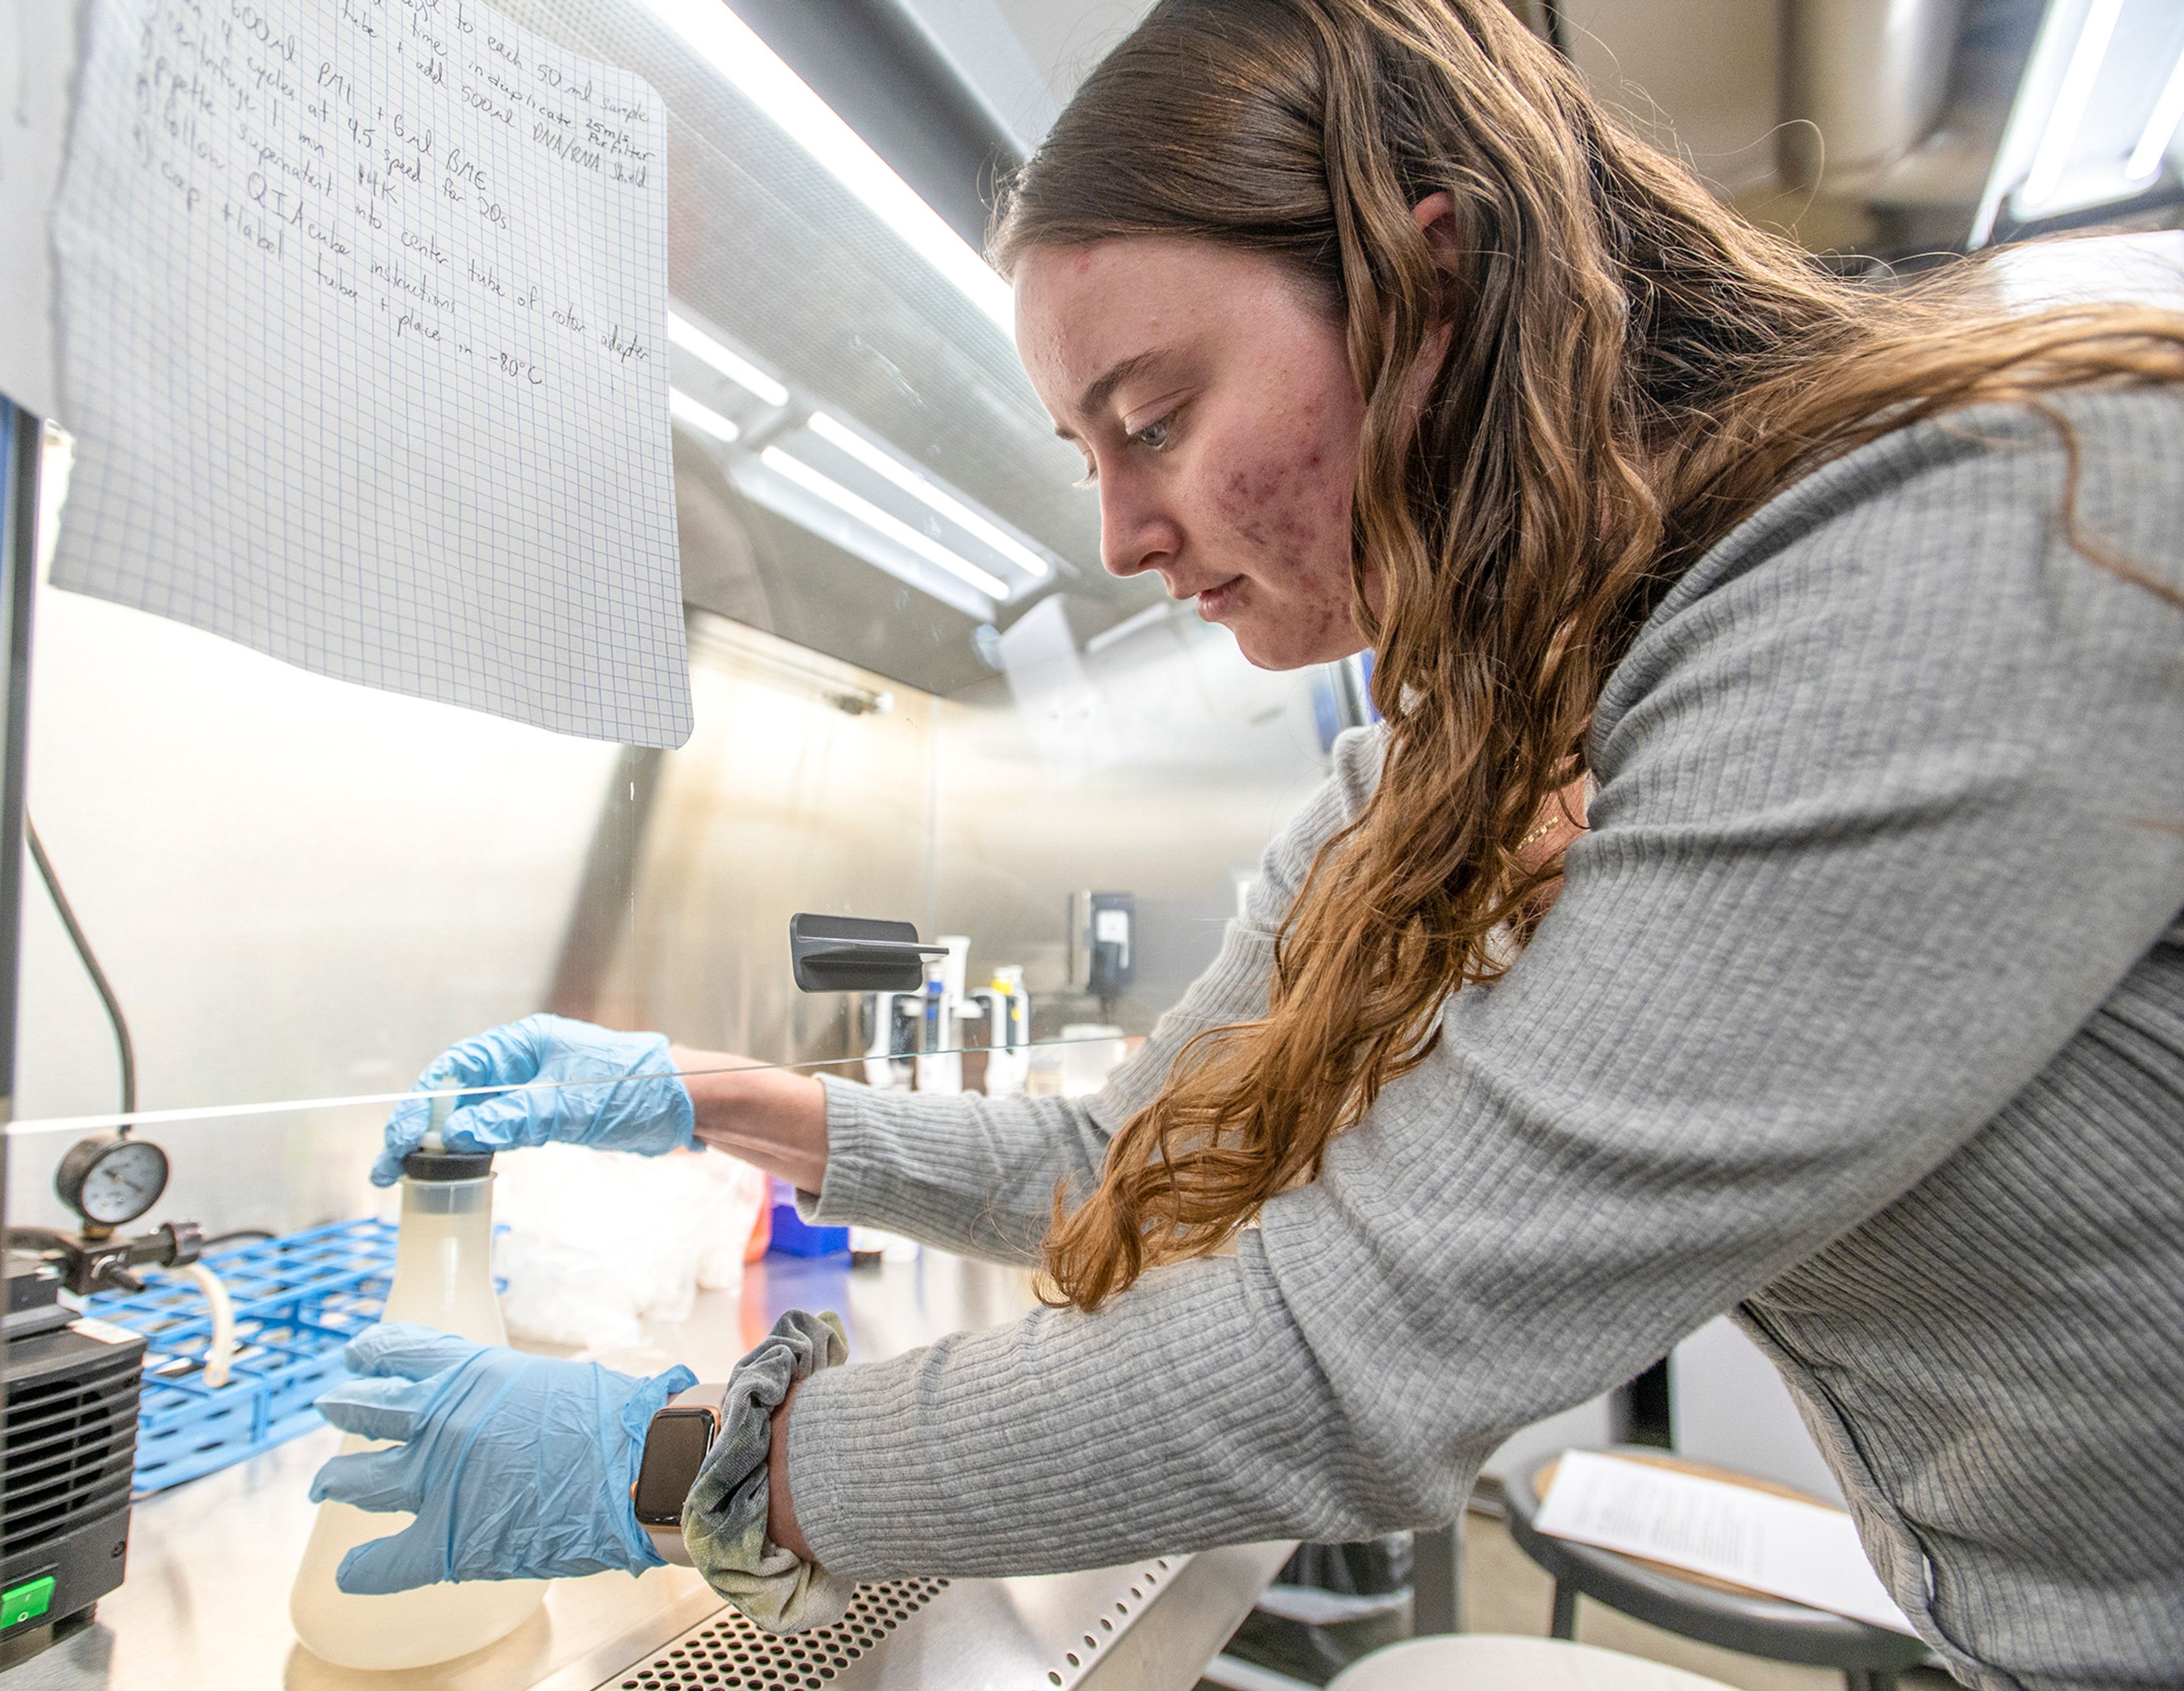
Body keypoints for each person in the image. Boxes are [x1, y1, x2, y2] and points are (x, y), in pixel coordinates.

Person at [306, 3, 2184, 1685]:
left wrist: (687, 1464)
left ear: (1422, 292)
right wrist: (697, 1089)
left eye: (1155, 418)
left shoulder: (1957, 544)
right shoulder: (1456, 752)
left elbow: (1347, 1348)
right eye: (1086, 455)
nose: (1121, 530)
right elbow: (1128, 1159)